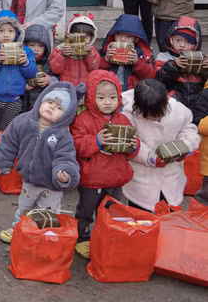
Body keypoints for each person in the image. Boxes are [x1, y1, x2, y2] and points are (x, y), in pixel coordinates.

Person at [0, 82, 80, 243]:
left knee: (47, 212)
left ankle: (42, 235)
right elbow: (9, 141)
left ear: (67, 115)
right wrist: (4, 162)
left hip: (51, 185)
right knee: (24, 208)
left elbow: (66, 157)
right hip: (29, 180)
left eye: (59, 108)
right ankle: (18, 228)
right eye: (49, 102)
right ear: (41, 100)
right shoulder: (23, 121)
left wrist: (65, 175)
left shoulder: (62, 135)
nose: (52, 108)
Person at [70, 71, 139, 259]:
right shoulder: (83, 119)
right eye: (101, 97)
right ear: (91, 97)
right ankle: (82, 237)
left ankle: (105, 235)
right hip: (92, 178)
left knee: (111, 210)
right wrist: (96, 141)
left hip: (115, 178)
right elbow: (76, 145)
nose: (107, 102)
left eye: (112, 97)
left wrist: (134, 145)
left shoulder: (122, 120)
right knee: (86, 210)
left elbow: (131, 149)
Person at [121, 79, 200, 212]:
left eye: (162, 111)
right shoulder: (128, 116)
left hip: (171, 177)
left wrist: (184, 146)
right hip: (142, 182)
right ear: (140, 109)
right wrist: (150, 157)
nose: (160, 116)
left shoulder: (178, 110)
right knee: (141, 219)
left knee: (170, 218)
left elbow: (189, 129)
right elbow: (130, 143)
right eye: (153, 115)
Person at [0, 11, 37, 131]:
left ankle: (3, 150)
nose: (6, 35)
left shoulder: (26, 51)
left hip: (14, 99)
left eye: (10, 31)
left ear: (17, 32)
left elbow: (32, 73)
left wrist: (25, 63)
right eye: (1, 31)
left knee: (6, 132)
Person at [154, 17, 207, 112]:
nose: (182, 45)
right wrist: (173, 65)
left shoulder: (201, 58)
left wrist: (206, 70)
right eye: (178, 40)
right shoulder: (163, 57)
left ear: (194, 45)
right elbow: (159, 82)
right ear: (171, 40)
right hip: (173, 104)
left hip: (197, 104)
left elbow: (205, 85)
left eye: (187, 41)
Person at [98, 14, 155, 91]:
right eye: (118, 34)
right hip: (109, 90)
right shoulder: (106, 51)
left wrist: (137, 62)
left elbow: (149, 76)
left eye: (128, 36)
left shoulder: (143, 54)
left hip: (131, 92)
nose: (122, 39)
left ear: (136, 39)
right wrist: (106, 60)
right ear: (113, 35)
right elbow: (95, 72)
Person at [50, 15, 100, 89]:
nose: (81, 40)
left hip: (85, 87)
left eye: (86, 37)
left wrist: (90, 54)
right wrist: (62, 55)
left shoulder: (92, 51)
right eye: (77, 36)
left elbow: (94, 68)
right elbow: (55, 69)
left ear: (91, 37)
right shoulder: (61, 49)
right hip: (66, 87)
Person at [23, 24, 56, 113]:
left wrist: (50, 81)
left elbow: (58, 80)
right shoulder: (20, 62)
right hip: (22, 105)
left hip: (41, 107)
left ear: (46, 47)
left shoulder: (49, 64)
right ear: (25, 45)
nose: (36, 49)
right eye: (32, 45)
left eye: (40, 46)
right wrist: (22, 85)